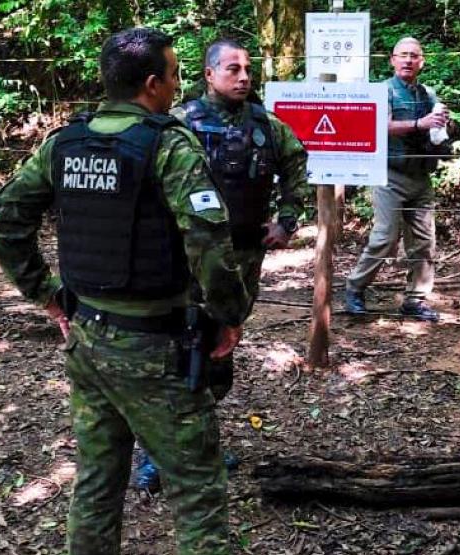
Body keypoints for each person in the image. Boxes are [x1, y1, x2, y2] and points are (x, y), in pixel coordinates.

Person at [0, 27, 251, 555]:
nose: (177, 87)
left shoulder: (65, 143)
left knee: (97, 479)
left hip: (86, 340)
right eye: (175, 76)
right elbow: (209, 241)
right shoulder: (167, 144)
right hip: (155, 348)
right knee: (197, 489)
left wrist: (48, 295)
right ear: (152, 84)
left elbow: (7, 221)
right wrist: (228, 314)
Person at [132, 37, 308, 490]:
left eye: (247, 69)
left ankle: (198, 444)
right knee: (178, 354)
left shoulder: (267, 124)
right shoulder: (178, 124)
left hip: (242, 257)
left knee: (219, 355)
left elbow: (297, 165)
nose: (244, 77)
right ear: (209, 75)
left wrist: (286, 219)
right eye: (232, 69)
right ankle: (157, 455)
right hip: (186, 261)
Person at [343, 36, 448, 322]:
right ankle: (355, 289)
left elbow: (435, 127)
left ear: (422, 62)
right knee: (385, 237)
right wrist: (419, 124)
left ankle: (416, 299)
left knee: (424, 241)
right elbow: (379, 126)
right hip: (389, 174)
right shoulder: (384, 91)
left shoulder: (428, 93)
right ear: (392, 60)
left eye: (414, 56)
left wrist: (442, 123)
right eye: (402, 55)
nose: (408, 60)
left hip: (421, 176)